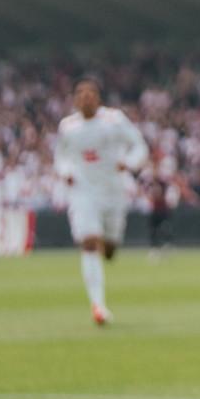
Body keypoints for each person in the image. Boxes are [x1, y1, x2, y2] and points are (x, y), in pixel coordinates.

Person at [53, 78, 147, 326]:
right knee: (90, 242)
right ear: (75, 99)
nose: (85, 98)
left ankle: (111, 246)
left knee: (110, 248)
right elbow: (60, 156)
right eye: (80, 94)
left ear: (98, 98)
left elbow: (139, 146)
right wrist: (66, 173)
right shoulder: (68, 127)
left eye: (90, 94)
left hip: (114, 190)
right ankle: (98, 306)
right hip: (84, 192)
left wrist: (129, 162)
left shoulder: (114, 120)